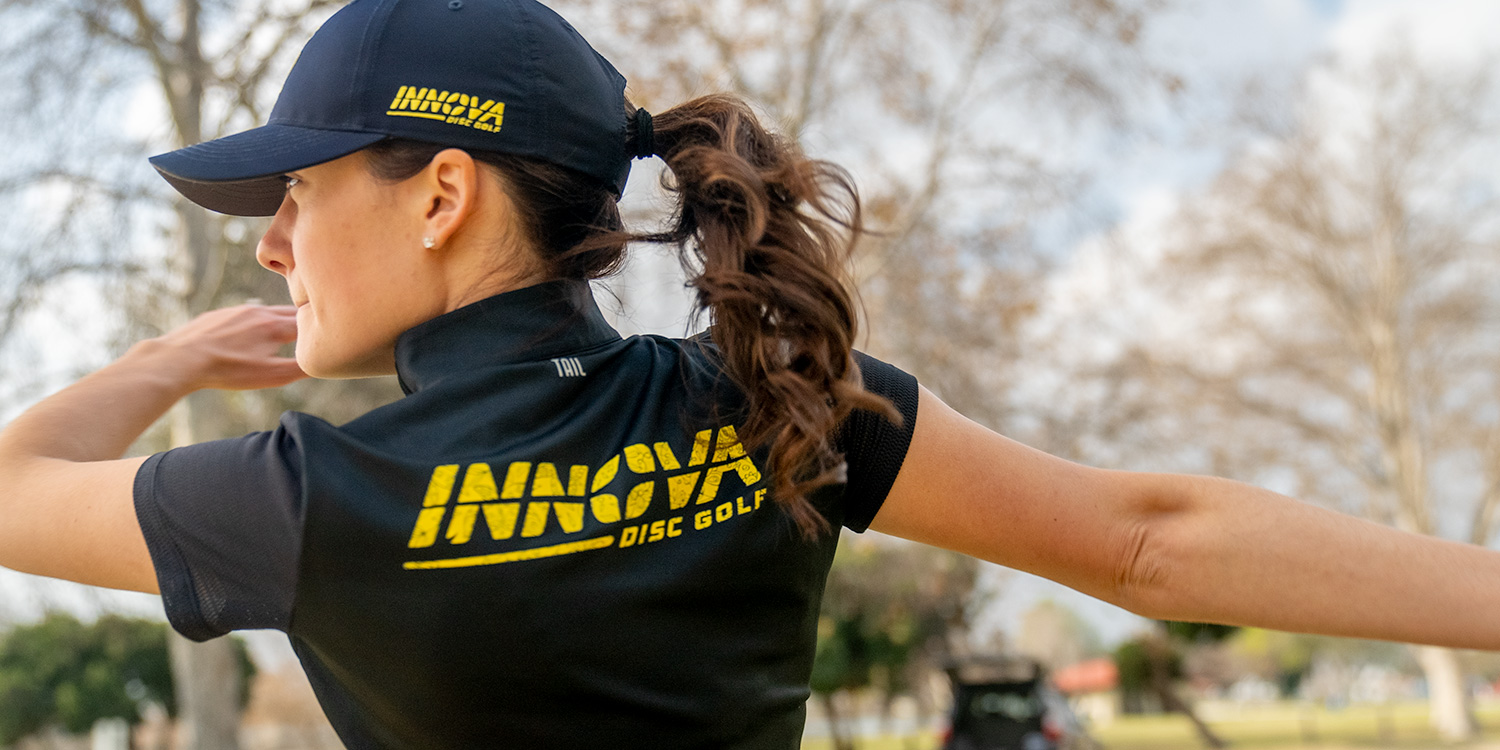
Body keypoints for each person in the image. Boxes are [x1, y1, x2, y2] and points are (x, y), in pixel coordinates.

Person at [0, 0, 1495, 746]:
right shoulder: (772, 400)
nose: (272, 245)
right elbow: (1148, 540)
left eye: (296, 193)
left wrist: (166, 357)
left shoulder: (308, 497)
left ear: (443, 194)